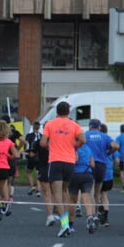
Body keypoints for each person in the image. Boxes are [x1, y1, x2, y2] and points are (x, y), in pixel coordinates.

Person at [39, 100, 85, 237]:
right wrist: (75, 147)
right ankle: (70, 224)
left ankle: (64, 224)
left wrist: (50, 145)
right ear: (68, 112)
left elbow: (42, 143)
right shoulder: (74, 125)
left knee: (56, 195)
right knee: (67, 193)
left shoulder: (50, 124)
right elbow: (83, 139)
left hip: (55, 161)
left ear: (57, 112)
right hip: (70, 162)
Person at [84, 119, 116, 226]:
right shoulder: (104, 136)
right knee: (98, 193)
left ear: (90, 126)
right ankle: (96, 214)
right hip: (101, 165)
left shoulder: (86, 135)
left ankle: (92, 215)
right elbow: (116, 146)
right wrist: (109, 153)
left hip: (89, 164)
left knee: (91, 192)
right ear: (99, 127)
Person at [0, 120, 19, 220]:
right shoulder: (9, 142)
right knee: (3, 187)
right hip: (4, 168)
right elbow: (16, 155)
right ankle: (6, 203)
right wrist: (8, 155)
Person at [68, 140, 98, 234]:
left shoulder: (74, 148)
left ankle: (70, 224)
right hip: (87, 174)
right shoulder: (88, 148)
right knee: (87, 197)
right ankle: (89, 217)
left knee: (73, 200)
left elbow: (75, 159)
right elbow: (92, 164)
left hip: (75, 174)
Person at [24, 121, 42, 196]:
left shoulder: (29, 135)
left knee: (29, 171)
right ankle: (38, 190)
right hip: (40, 156)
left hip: (31, 155)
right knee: (38, 173)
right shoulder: (41, 136)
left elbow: (27, 144)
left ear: (33, 127)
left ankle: (32, 186)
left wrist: (26, 150)